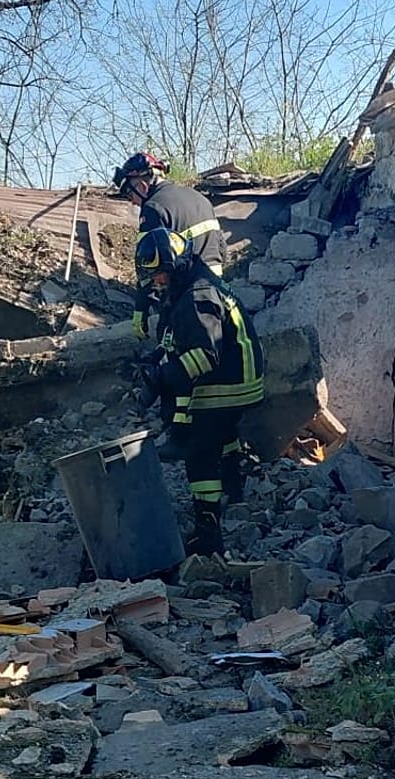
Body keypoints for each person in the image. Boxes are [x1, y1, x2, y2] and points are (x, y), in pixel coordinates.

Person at [133, 227, 264, 557]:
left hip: (230, 383)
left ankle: (208, 537)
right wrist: (155, 360)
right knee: (220, 431)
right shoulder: (191, 284)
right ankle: (236, 490)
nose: (157, 283)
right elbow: (179, 340)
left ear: (175, 266)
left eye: (160, 275)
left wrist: (162, 378)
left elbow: (205, 355)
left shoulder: (196, 294)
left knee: (200, 452)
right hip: (239, 376)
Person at [113, 153, 227, 343]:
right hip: (216, 287)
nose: (132, 201)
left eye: (129, 194)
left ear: (142, 186)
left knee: (173, 348)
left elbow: (147, 263)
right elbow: (221, 247)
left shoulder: (153, 208)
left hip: (186, 293)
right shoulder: (198, 197)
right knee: (213, 346)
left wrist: (141, 308)